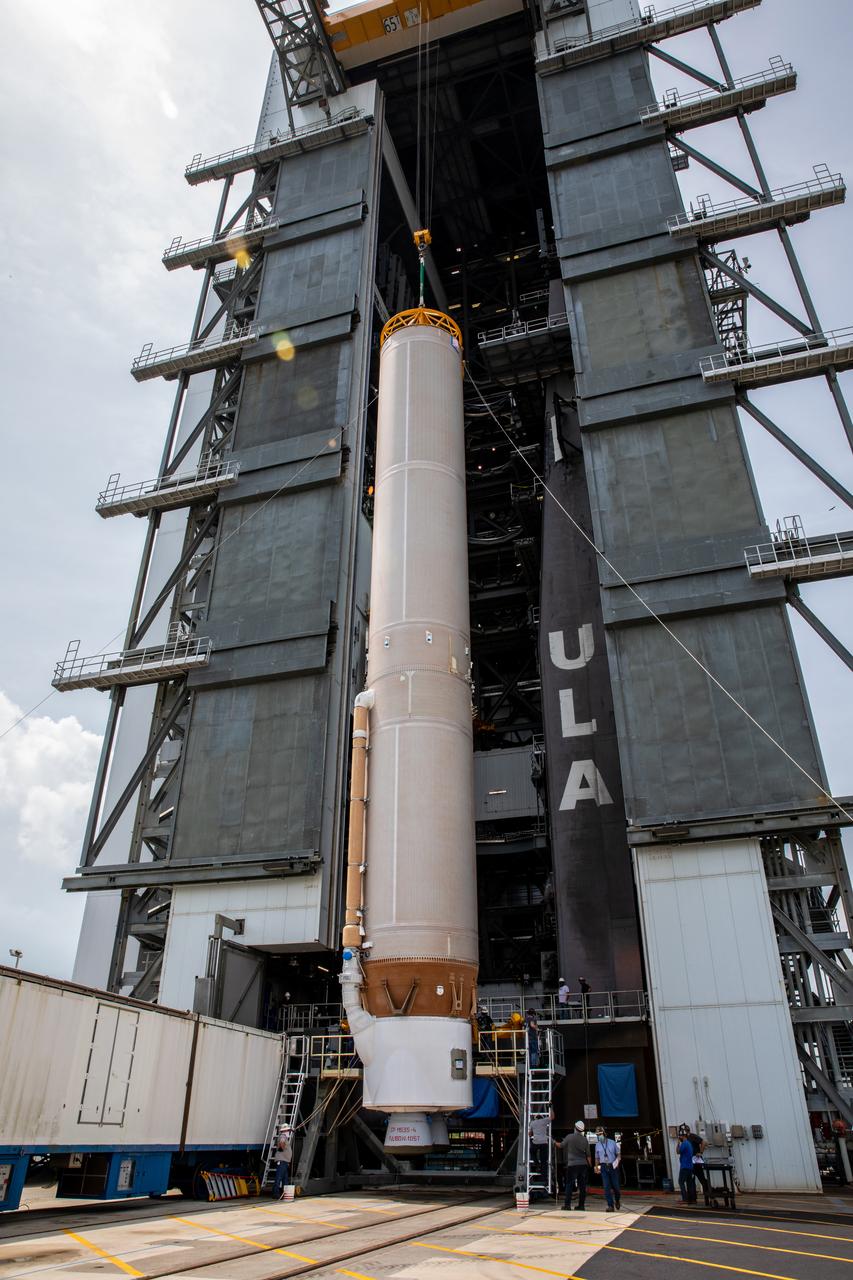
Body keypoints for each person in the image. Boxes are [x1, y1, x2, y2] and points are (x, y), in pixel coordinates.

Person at [560, 1120, 591, 1210]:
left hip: (572, 1165)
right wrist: (590, 1165)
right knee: (582, 1187)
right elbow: (588, 1155)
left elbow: (561, 1145)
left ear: (575, 1128)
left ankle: (567, 1205)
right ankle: (581, 1206)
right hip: (583, 1166)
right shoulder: (585, 1140)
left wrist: (553, 1142)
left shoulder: (569, 1137)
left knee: (569, 1185)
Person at [594, 1126, 621, 1211]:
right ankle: (610, 1205)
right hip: (603, 1167)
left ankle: (617, 1200)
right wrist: (596, 1167)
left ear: (604, 1133)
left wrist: (617, 1162)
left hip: (613, 1166)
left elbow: (618, 1154)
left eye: (600, 1134)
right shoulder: (597, 1145)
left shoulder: (612, 1142)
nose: (599, 1136)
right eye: (597, 1135)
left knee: (616, 1187)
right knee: (606, 1187)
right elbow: (597, 1158)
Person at [529, 1108, 552, 1183]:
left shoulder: (532, 1123)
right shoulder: (544, 1120)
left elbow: (530, 1134)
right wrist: (551, 1107)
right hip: (544, 1143)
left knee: (532, 1152)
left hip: (536, 1143)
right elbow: (553, 1117)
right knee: (544, 1161)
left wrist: (532, 1134)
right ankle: (544, 1180)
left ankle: (536, 1164)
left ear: (536, 1117)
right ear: (541, 1117)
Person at [676, 1124, 696, 1205]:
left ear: (682, 1136)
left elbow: (677, 1152)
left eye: (679, 1136)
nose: (679, 1138)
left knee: (681, 1182)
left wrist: (678, 1144)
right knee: (689, 1183)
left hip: (684, 1166)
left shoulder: (684, 1144)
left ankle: (685, 1198)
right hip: (690, 1166)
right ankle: (692, 1199)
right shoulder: (689, 1144)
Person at [688, 1129, 709, 1205]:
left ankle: (708, 1194)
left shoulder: (692, 1136)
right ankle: (693, 1198)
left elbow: (704, 1142)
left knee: (701, 1178)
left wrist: (701, 1152)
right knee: (691, 1180)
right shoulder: (685, 1139)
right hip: (690, 1162)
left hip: (696, 1161)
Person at [273, 1127, 293, 1198]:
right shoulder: (283, 1136)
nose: (289, 1132)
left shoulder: (283, 1136)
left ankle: (284, 1194)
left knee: (285, 1179)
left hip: (284, 1161)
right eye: (288, 1130)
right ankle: (276, 1194)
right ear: (285, 1130)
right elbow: (281, 1143)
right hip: (282, 1161)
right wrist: (282, 1148)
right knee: (279, 1178)